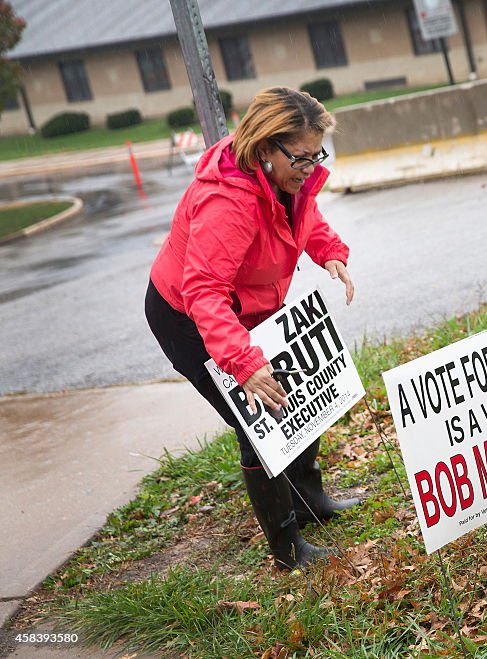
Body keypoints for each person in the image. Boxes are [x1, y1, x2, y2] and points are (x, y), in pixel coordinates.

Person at [145, 87, 359, 570]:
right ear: (265, 147)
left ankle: (310, 503)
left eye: (316, 155)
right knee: (258, 420)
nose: (309, 167)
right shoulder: (228, 201)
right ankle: (286, 549)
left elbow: (302, 214)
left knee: (301, 394)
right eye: (300, 157)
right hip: (188, 315)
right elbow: (203, 291)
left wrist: (330, 252)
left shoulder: (286, 176)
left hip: (247, 307)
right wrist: (243, 364)